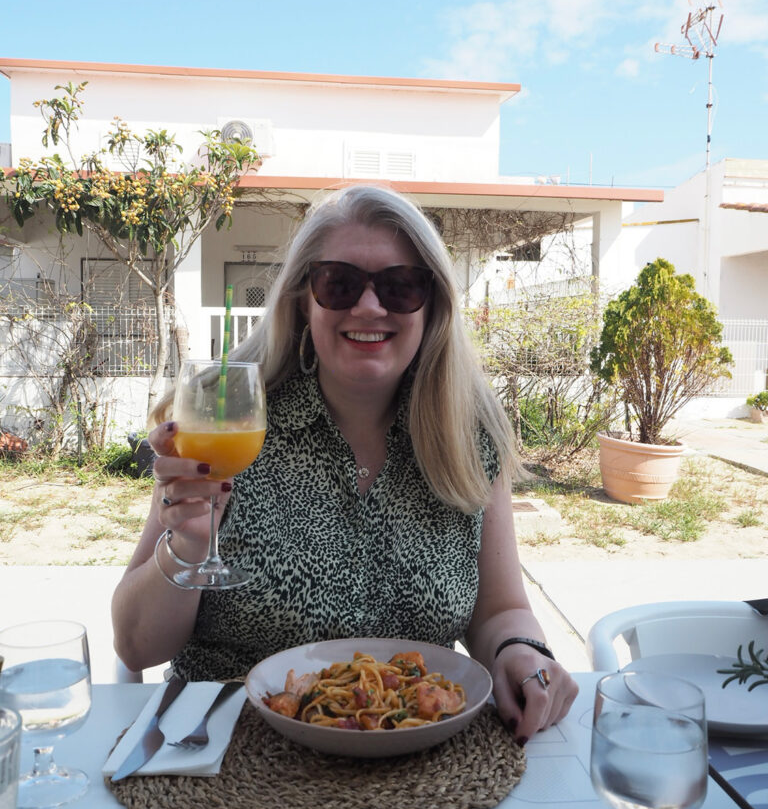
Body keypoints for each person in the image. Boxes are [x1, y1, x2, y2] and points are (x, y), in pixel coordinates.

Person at [112, 184, 578, 744]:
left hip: (414, 754)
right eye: (340, 283)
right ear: (303, 301)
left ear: (431, 307)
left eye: (400, 287)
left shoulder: (466, 434)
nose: (369, 307)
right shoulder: (227, 417)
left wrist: (522, 652)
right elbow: (136, 646)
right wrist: (187, 543)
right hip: (220, 753)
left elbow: (500, 610)